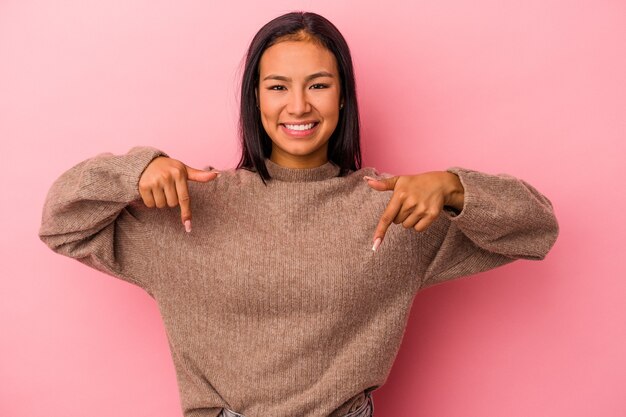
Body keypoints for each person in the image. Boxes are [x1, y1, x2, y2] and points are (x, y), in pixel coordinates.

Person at [38, 11, 559, 417]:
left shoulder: (395, 209)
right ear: (256, 99)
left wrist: (454, 186)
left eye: (318, 84)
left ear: (343, 95)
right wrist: (134, 170)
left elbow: (537, 228)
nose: (299, 106)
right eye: (278, 86)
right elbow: (61, 222)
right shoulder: (192, 207)